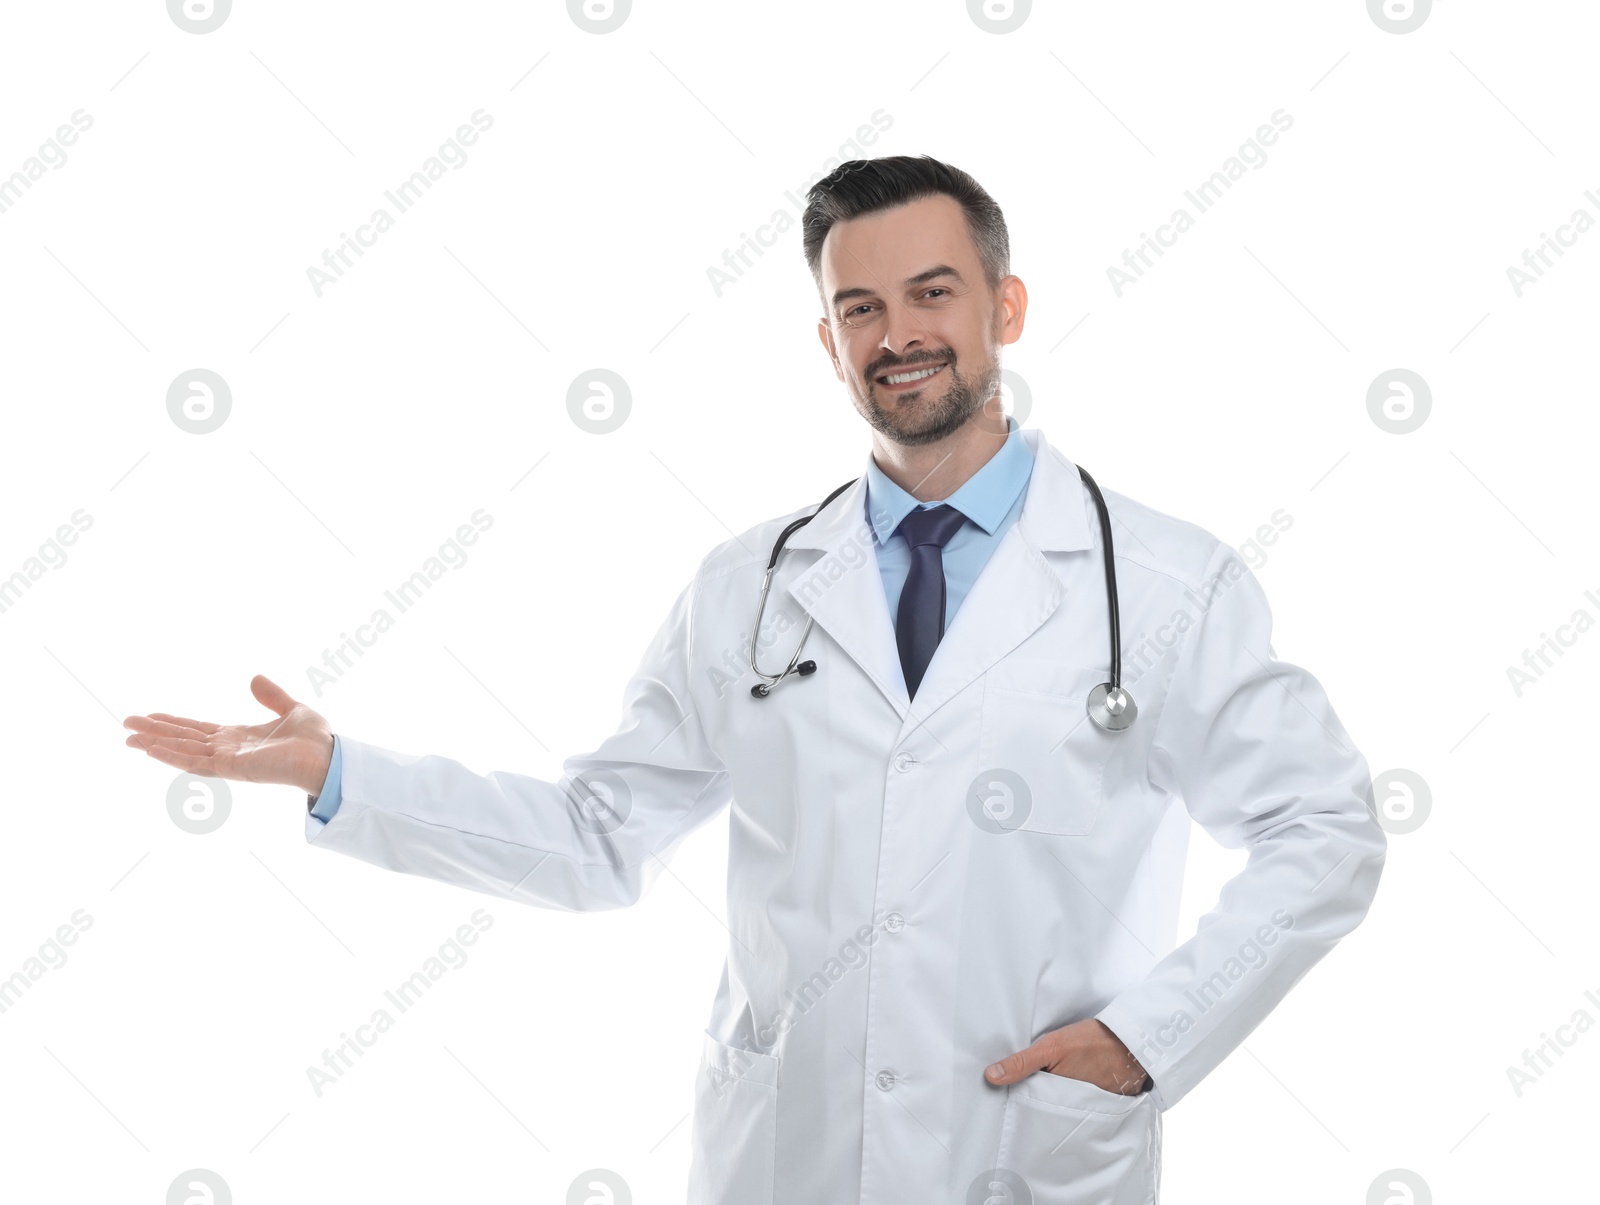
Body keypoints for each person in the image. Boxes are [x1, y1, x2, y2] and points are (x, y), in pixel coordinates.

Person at [124, 155, 1386, 1205]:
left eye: (932, 293)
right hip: (785, 1156)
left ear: (1004, 307)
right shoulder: (749, 587)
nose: (897, 335)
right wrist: (344, 774)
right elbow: (595, 837)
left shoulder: (1164, 586)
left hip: (1031, 1152)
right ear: (827, 339)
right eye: (859, 307)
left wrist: (1143, 1040)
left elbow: (1322, 829)